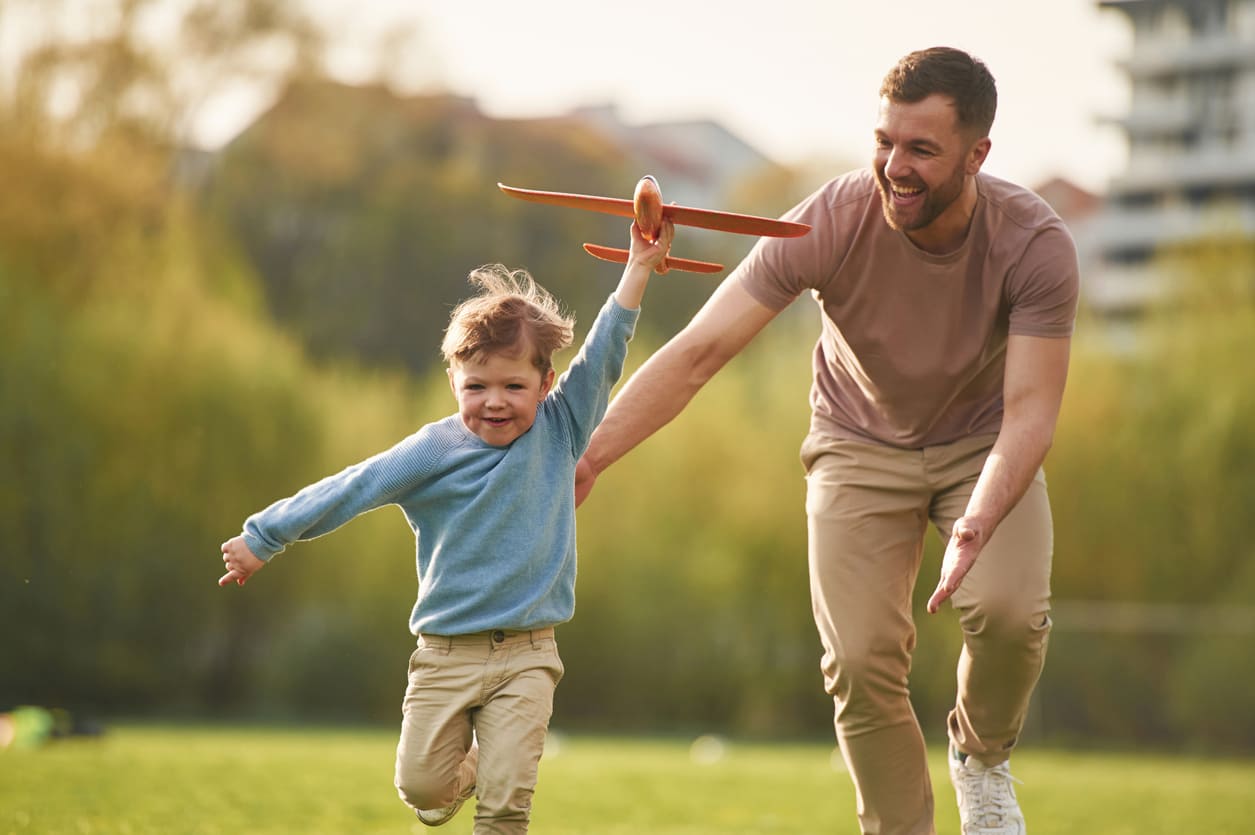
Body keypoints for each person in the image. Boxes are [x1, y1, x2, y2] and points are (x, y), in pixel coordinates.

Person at [575, 47, 1078, 835]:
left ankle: (979, 759)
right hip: (856, 442)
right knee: (858, 662)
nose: (894, 167)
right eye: (883, 141)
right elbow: (701, 350)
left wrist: (978, 516)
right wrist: (590, 451)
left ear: (977, 154)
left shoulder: (1033, 243)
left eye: (920, 149)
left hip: (983, 446)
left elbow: (1030, 411)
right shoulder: (829, 220)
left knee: (1010, 612)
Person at [218, 218, 674, 833]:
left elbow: (605, 352)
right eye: (477, 385)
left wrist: (638, 268)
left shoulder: (562, 429)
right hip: (444, 655)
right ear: (453, 382)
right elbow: (353, 487)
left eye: (514, 386)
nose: (494, 401)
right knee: (423, 790)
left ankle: (496, 773)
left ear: (547, 385)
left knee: (508, 801)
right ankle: (467, 772)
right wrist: (264, 536)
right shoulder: (432, 451)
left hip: (528, 653)